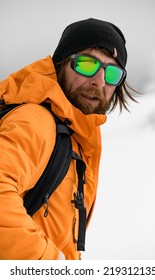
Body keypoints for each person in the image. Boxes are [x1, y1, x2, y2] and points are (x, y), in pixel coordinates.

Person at [0, 18, 136, 260]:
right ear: (61, 64)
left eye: (112, 72)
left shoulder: (72, 134)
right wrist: (48, 263)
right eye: (87, 64)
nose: (100, 81)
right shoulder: (34, 121)